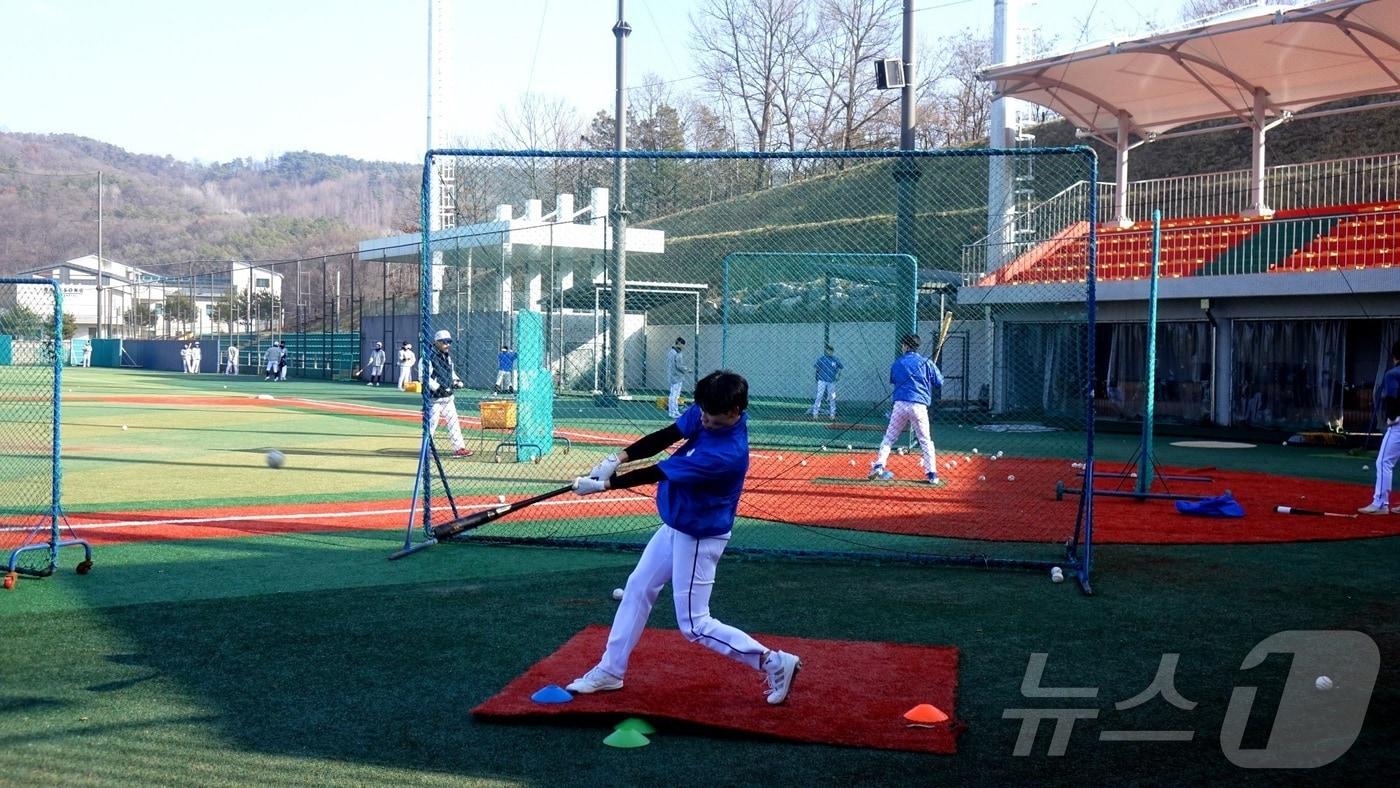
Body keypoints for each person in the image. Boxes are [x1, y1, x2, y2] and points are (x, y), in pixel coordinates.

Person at [566, 370, 801, 705]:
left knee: (695, 624)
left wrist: (603, 485)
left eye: (712, 416)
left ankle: (773, 661)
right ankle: (610, 670)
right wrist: (616, 458)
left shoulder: (725, 454)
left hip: (699, 535)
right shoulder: (711, 408)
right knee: (638, 587)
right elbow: (668, 435)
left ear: (735, 412)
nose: (703, 419)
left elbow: (658, 471)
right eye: (701, 411)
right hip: (677, 524)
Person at [868, 334, 944, 485]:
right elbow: (939, 382)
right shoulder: (926, 363)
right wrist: (928, 376)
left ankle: (879, 465)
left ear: (906, 346)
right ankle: (932, 475)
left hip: (900, 405)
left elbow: (895, 380)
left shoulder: (898, 363)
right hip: (919, 406)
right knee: (925, 441)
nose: (901, 347)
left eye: (902, 345)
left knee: (889, 437)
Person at [1360, 340, 1400, 514]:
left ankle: (1380, 503)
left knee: (1384, 461)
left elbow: (1392, 398)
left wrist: (1391, 418)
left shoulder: (1392, 374)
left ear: (1394, 356)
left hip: (1398, 424)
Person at [426, 329, 472, 457]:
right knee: (431, 424)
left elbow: (451, 372)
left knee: (454, 423)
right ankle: (426, 449)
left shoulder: (446, 356)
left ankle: (459, 448)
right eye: (445, 342)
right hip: (434, 398)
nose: (448, 344)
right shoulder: (428, 357)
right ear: (437, 342)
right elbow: (423, 376)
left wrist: (456, 380)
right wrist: (437, 387)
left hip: (448, 397)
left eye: (449, 342)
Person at [810, 344, 843, 420]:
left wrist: (838, 377)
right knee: (819, 396)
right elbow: (816, 369)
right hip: (822, 380)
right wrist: (816, 378)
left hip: (831, 381)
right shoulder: (821, 359)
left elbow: (841, 368)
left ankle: (832, 414)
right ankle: (815, 413)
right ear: (826, 351)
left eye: (831, 351)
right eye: (828, 350)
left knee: (832, 397)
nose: (830, 352)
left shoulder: (835, 360)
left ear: (833, 351)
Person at [666, 337, 690, 419]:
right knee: (674, 395)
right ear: (679, 343)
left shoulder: (671, 352)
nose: (683, 347)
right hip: (677, 377)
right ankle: (673, 412)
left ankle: (674, 411)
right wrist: (687, 369)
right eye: (683, 345)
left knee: (674, 395)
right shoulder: (677, 353)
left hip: (672, 376)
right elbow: (679, 366)